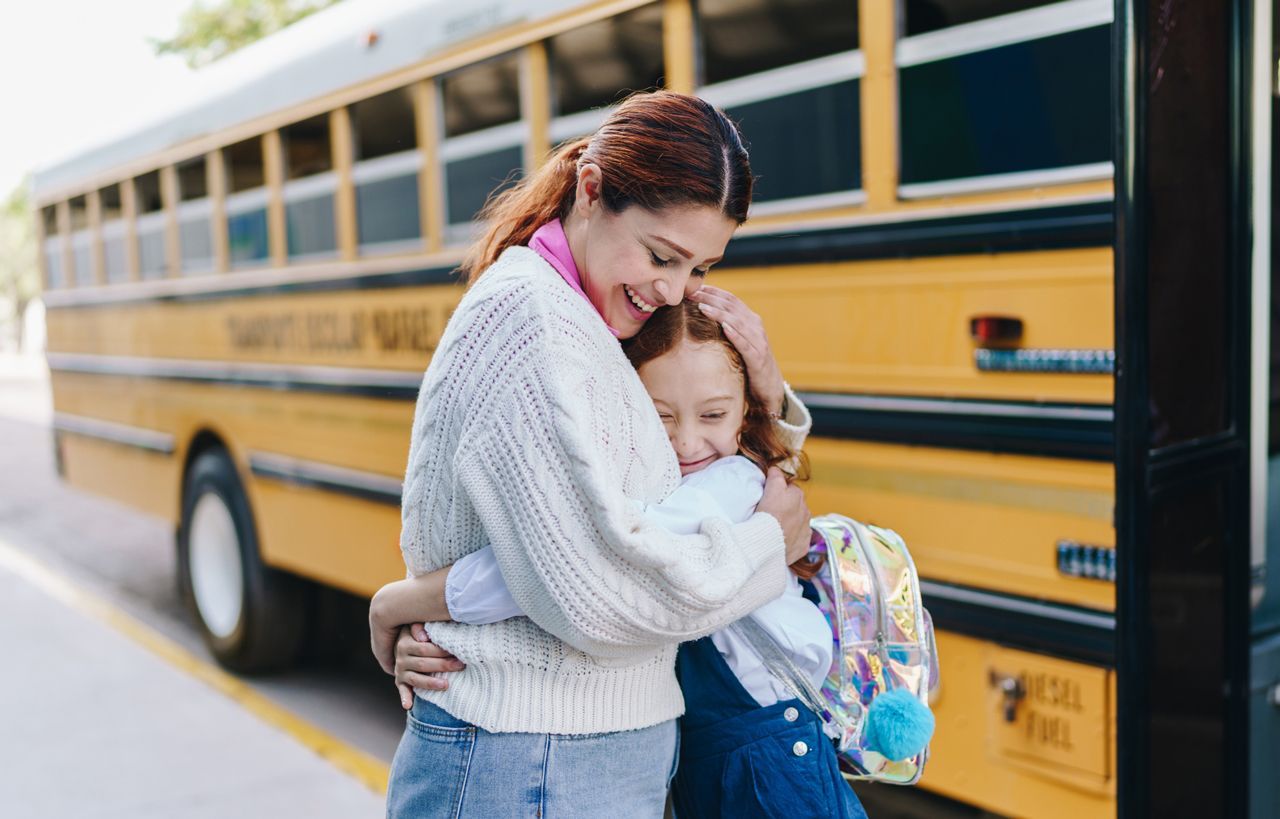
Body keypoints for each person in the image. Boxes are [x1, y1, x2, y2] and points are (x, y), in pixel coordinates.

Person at [376, 90, 816, 818]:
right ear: (590, 191)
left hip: (563, 757)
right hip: (534, 761)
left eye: (700, 268)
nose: (675, 290)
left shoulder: (586, 320)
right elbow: (598, 597)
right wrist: (772, 544)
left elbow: (666, 503)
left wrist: (770, 398)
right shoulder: (534, 324)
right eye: (661, 255)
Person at [375, 300, 869, 817]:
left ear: (745, 412)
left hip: (765, 752)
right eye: (662, 417)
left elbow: (562, 565)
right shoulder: (683, 480)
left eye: (713, 415)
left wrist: (408, 601)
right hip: (727, 745)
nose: (687, 440)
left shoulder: (730, 483)